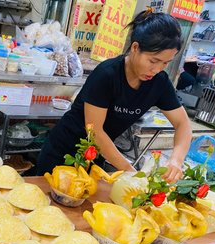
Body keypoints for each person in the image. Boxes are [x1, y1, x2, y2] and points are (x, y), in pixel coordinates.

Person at [37, 9, 192, 184]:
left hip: (96, 156)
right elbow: (94, 132)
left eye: (165, 63)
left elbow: (183, 123)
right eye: (153, 61)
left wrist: (176, 161)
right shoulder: (107, 74)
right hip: (62, 152)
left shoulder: (160, 82)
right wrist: (130, 172)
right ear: (135, 48)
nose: (157, 69)